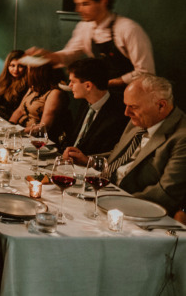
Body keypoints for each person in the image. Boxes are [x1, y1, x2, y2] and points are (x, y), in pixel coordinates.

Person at [66, 75, 186, 215]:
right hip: (106, 193)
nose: (126, 113)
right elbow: (118, 154)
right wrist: (89, 160)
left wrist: (114, 202)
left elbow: (166, 193)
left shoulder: (181, 137)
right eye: (126, 105)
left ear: (161, 105)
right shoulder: (140, 119)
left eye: (133, 107)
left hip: (138, 211)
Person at [28, 0, 155, 89]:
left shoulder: (128, 29)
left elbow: (146, 72)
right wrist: (47, 56)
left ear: (103, 2)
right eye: (77, 5)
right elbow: (70, 54)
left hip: (128, 95)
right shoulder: (85, 27)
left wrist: (108, 83)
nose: (79, 10)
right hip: (99, 93)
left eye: (85, 4)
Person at [60, 58, 129, 159]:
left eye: (73, 82)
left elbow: (112, 154)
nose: (70, 85)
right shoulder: (85, 102)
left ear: (88, 86)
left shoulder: (119, 113)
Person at [9, 63, 72, 143]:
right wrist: (9, 127)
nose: (26, 73)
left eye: (28, 70)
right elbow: (19, 110)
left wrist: (19, 133)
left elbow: (44, 127)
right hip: (22, 134)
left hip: (37, 140)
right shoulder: (33, 87)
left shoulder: (55, 93)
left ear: (37, 72)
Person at [0, 49, 28, 119]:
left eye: (20, 66)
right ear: (7, 66)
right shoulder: (3, 80)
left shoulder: (26, 86)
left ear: (26, 67)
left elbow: (17, 113)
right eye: (12, 65)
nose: (16, 70)